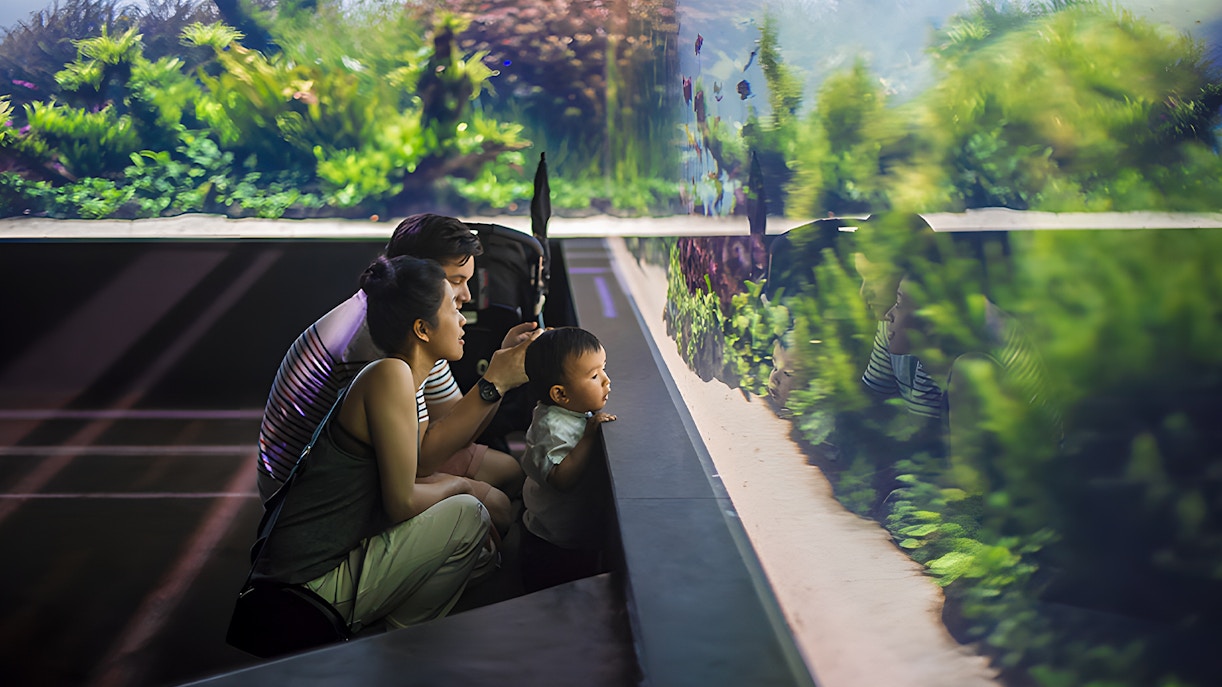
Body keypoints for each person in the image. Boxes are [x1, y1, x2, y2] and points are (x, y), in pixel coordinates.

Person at [255, 255, 496, 631]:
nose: (463, 318)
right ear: (422, 329)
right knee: (469, 514)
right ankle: (395, 653)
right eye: (453, 307)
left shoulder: (392, 373)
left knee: (481, 552)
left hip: (314, 566)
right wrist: (465, 485)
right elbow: (401, 502)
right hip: (306, 583)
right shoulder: (391, 375)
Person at [257, 214, 537, 532]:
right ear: (418, 275)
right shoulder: (381, 346)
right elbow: (422, 461)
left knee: (509, 473)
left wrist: (502, 366)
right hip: (307, 499)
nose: (467, 296)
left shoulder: (413, 318)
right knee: (492, 507)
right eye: (456, 281)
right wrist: (495, 382)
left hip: (371, 463)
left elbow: (456, 424)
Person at [518, 327, 616, 592]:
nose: (607, 381)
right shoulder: (552, 427)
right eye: (595, 376)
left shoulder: (570, 408)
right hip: (553, 543)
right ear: (560, 395)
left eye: (603, 369)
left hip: (571, 533)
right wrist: (588, 437)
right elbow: (560, 479)